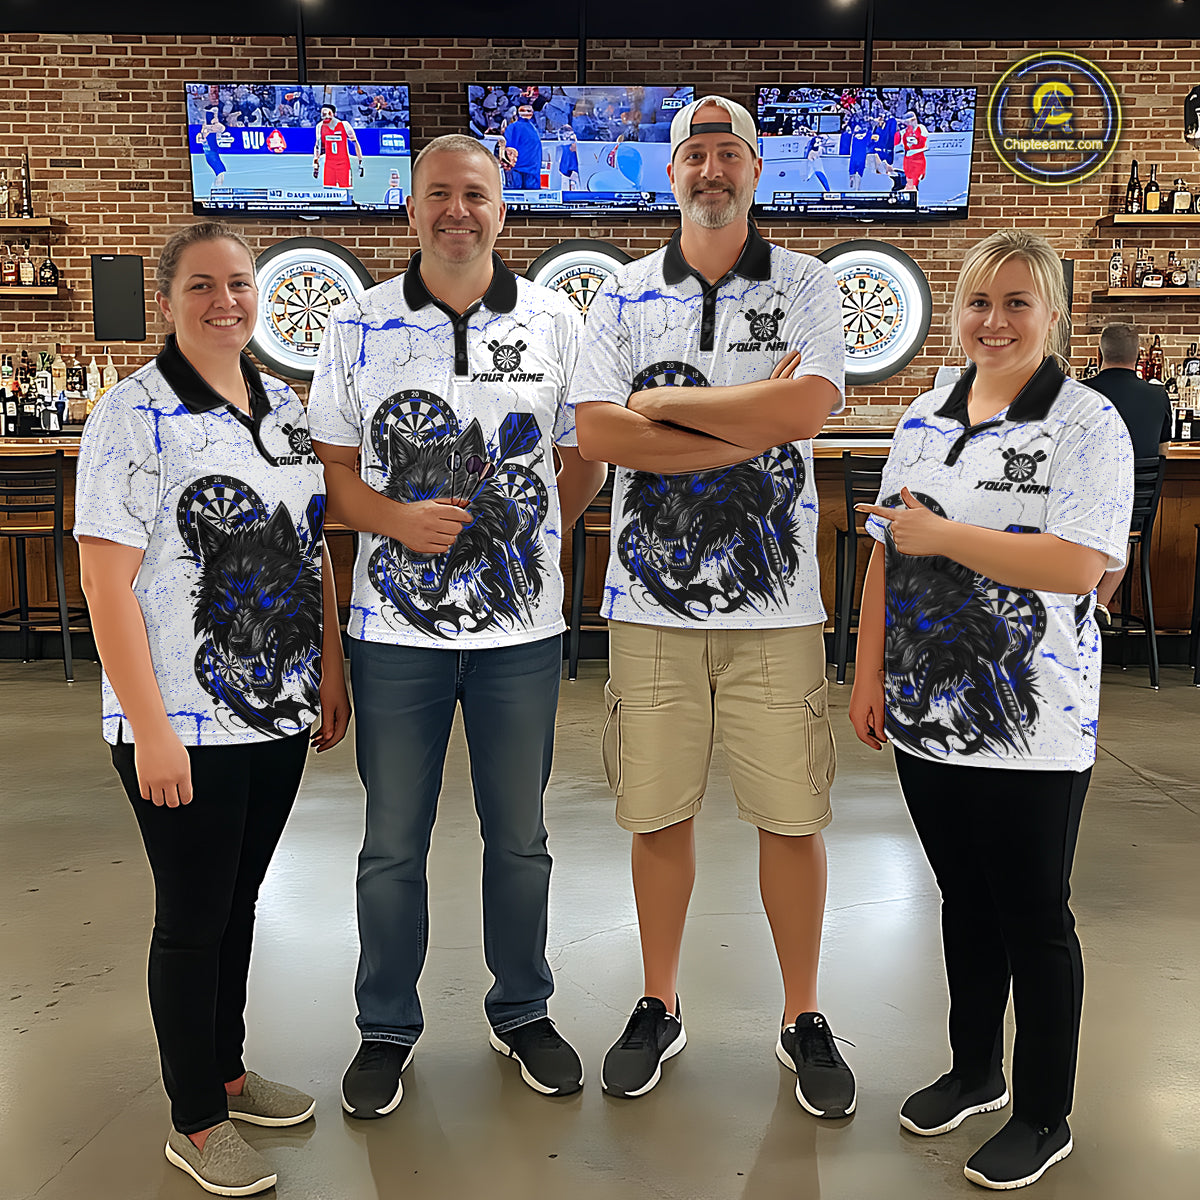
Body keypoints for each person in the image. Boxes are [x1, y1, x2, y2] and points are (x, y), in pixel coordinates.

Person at [307, 134, 606, 1119]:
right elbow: (332, 478)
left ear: (501, 209)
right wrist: (398, 522)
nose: (456, 210)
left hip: (520, 637)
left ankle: (523, 1009)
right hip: (394, 636)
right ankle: (386, 1026)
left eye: (474, 193)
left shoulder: (557, 320)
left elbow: (583, 457)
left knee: (519, 837)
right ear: (411, 208)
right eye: (438, 193)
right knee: (392, 842)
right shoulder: (356, 323)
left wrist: (528, 539)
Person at [572, 96, 854, 1116]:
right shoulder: (620, 295)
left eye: (729, 151)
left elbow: (807, 406)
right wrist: (746, 429)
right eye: (695, 152)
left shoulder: (808, 282)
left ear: (755, 172)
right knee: (658, 813)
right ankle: (659, 1000)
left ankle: (803, 1013)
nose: (712, 168)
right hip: (650, 608)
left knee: (792, 816)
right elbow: (598, 434)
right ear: (672, 174)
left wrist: (666, 406)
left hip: (778, 609)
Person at [850, 230, 1133, 1191]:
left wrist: (947, 535)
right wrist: (867, 672)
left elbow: (1077, 563)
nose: (995, 321)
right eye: (979, 301)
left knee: (1033, 916)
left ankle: (1044, 1113)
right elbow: (887, 550)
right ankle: (975, 1069)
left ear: (1055, 315)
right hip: (925, 711)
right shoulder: (925, 414)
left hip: (1034, 722)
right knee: (962, 900)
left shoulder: (1088, 423)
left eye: (1018, 303)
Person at [74, 222, 351, 1197]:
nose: (224, 301)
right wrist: (149, 729)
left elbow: (311, 542)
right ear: (166, 301)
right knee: (192, 917)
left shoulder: (283, 405)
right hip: (181, 722)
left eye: (238, 284)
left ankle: (226, 1071)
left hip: (276, 711)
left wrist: (330, 670)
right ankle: (194, 1119)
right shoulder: (132, 413)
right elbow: (105, 584)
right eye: (201, 285)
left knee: (240, 902)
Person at [1083, 322, 1171, 624]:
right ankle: (1098, 605)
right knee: (1121, 529)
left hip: (1084, 510)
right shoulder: (1158, 396)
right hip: (1133, 511)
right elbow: (1163, 452)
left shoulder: (1080, 393)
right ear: (1139, 357)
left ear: (1099, 354)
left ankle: (1078, 604)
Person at [313, 103, 363, 196]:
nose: (326, 117)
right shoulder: (320, 126)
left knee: (346, 189)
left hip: (343, 163)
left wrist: (360, 161)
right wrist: (315, 164)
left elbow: (355, 142)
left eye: (328, 113)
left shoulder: (344, 125)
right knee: (328, 190)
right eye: (323, 114)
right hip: (329, 163)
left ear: (334, 113)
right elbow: (317, 146)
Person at [497, 102, 543, 190]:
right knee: (532, 196)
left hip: (517, 169)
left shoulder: (513, 128)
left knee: (514, 194)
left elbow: (508, 149)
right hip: (532, 169)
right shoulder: (533, 128)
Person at [895, 110, 929, 198]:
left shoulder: (921, 128)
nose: (912, 122)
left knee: (916, 180)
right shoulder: (904, 132)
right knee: (908, 181)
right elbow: (897, 143)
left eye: (913, 120)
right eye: (910, 121)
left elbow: (924, 142)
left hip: (918, 158)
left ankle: (914, 199)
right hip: (908, 159)